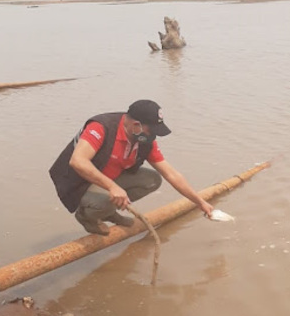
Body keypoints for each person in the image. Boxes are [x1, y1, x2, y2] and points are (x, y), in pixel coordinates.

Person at [49, 99, 214, 235]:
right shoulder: (102, 127)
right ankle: (87, 216)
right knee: (106, 199)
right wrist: (112, 187)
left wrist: (200, 203)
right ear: (136, 125)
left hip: (108, 177)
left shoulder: (144, 141)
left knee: (152, 180)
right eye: (152, 131)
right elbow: (78, 162)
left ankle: (108, 212)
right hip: (78, 182)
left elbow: (171, 174)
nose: (153, 136)